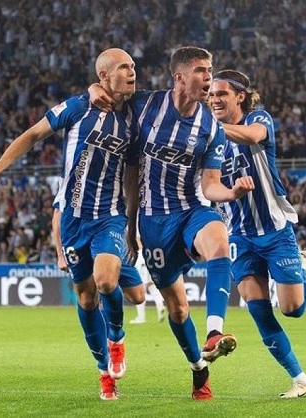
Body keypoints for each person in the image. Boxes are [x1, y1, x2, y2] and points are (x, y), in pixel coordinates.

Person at [0, 48, 145, 401]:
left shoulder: (135, 116)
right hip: (73, 219)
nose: (132, 72)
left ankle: (116, 338)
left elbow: (132, 175)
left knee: (107, 281)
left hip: (109, 216)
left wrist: (132, 224)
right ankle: (104, 371)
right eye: (123, 67)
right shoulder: (77, 107)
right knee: (86, 298)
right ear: (103, 77)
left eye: (133, 66)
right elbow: (32, 135)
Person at [90, 46, 255, 400]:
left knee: (219, 241)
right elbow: (108, 91)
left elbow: (210, 186)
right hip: (153, 224)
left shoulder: (211, 128)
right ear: (179, 76)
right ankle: (199, 368)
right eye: (201, 71)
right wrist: (92, 89)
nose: (208, 77)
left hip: (192, 209)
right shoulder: (146, 104)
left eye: (210, 70)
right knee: (178, 309)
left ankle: (215, 331)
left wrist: (232, 193)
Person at [208, 69, 306, 398]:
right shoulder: (208, 140)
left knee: (292, 309)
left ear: (239, 96)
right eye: (211, 95)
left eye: (221, 94)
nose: (214, 100)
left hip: (274, 230)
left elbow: (253, 136)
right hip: (239, 236)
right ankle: (301, 380)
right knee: (258, 309)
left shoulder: (258, 119)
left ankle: (303, 270)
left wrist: (207, 127)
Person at [129, 244, 167, 324]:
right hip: (150, 265)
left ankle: (141, 318)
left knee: (140, 292)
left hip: (140, 267)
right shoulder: (148, 250)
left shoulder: (137, 252)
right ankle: (160, 306)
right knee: (154, 289)